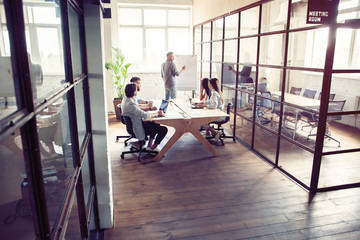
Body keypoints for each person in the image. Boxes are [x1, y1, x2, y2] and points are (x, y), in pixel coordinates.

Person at [121, 83, 168, 152]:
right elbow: (145, 115)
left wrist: (150, 108)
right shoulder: (131, 104)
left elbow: (137, 108)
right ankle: (153, 148)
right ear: (134, 92)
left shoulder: (127, 99)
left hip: (136, 123)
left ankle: (149, 146)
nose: (137, 91)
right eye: (136, 90)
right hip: (137, 128)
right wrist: (157, 113)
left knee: (155, 123)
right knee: (164, 129)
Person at [195, 78, 225, 143]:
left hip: (219, 116)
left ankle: (215, 132)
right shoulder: (216, 92)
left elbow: (214, 106)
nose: (208, 85)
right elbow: (210, 101)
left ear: (211, 84)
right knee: (201, 120)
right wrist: (202, 103)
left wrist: (203, 106)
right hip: (219, 114)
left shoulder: (214, 93)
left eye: (209, 83)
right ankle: (211, 132)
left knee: (200, 121)